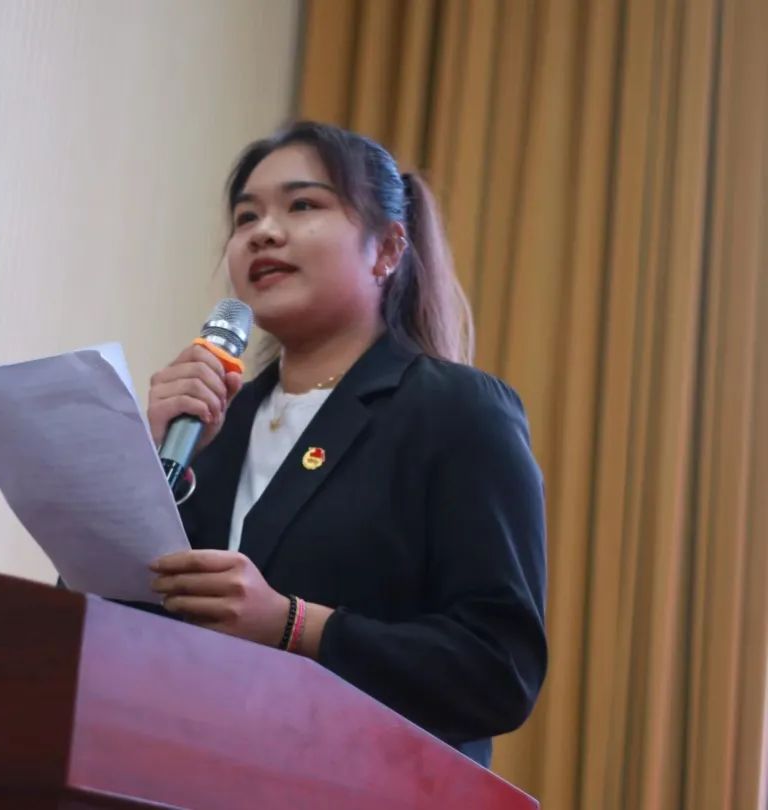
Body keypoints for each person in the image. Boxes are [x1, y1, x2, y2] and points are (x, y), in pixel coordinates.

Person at [145, 121, 547, 768]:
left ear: (386, 249)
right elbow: (110, 617)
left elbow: (500, 670)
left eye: (303, 205)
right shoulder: (210, 425)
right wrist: (147, 455)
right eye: (246, 217)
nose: (264, 232)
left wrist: (295, 625)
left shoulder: (455, 411)